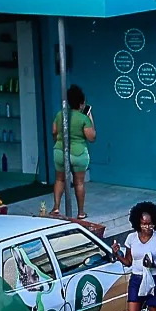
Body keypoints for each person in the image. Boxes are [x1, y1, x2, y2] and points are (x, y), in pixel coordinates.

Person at [49, 84, 95, 219]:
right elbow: (92, 137)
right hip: (78, 153)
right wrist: (89, 116)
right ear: (81, 103)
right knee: (79, 183)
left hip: (60, 151)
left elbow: (54, 131)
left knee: (59, 179)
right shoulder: (83, 118)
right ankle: (80, 212)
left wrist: (58, 143)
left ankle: (56, 208)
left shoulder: (60, 114)